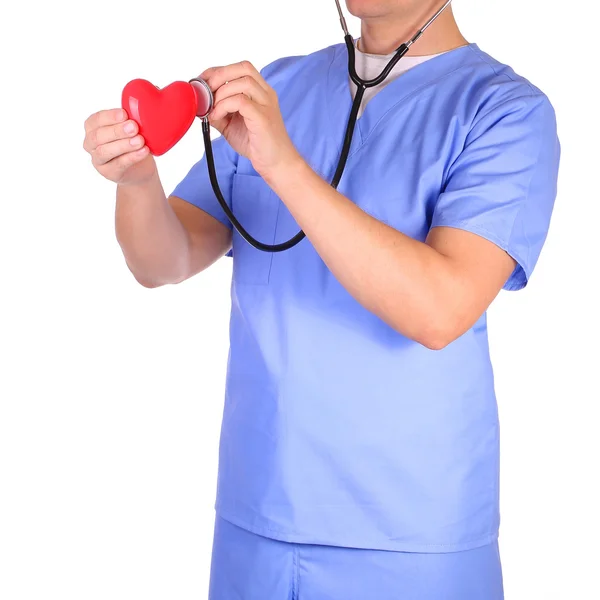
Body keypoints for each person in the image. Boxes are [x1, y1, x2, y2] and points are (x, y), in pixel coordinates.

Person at [83, 0, 560, 598]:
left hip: (407, 535)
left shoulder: (505, 111)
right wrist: (136, 181)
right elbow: (164, 261)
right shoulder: (276, 87)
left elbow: (441, 310)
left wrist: (282, 162)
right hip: (257, 520)